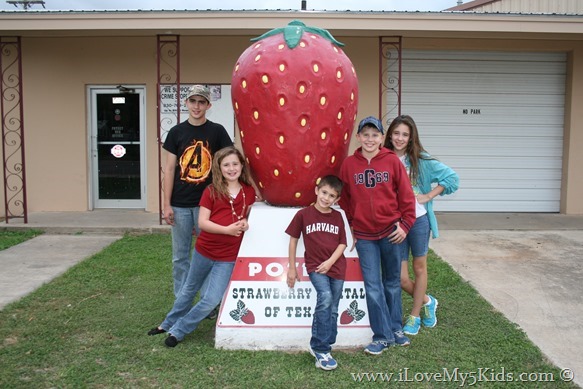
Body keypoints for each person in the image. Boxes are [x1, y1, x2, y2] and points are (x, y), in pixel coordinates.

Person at [148, 146, 256, 347]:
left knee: (211, 299)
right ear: (219, 168)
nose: (231, 168)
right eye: (226, 165)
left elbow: (247, 216)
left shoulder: (249, 192)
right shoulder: (211, 191)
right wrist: (227, 230)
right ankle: (167, 323)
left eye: (235, 164)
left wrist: (245, 224)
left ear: (242, 165)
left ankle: (179, 330)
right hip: (205, 251)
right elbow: (203, 223)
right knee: (189, 289)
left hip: (228, 256)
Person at [338, 116, 416, 355]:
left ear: (382, 138)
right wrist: (352, 223)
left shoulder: (391, 161)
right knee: (372, 286)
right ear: (358, 137)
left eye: (375, 135)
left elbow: (405, 196)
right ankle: (381, 336)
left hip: (391, 232)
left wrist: (405, 225)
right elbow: (346, 199)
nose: (370, 139)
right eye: (366, 134)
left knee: (392, 283)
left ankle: (396, 329)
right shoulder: (349, 165)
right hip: (365, 235)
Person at [384, 115, 459, 336]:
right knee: (401, 277)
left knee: (420, 268)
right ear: (390, 135)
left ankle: (415, 316)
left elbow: (452, 179)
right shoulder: (383, 157)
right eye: (396, 133)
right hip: (395, 223)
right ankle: (428, 300)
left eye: (405, 134)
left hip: (418, 221)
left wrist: (427, 195)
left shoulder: (420, 160)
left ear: (411, 137)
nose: (399, 138)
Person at [162, 84, 233, 297]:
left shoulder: (217, 131)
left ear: (208, 105)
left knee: (208, 254)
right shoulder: (176, 132)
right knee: (180, 256)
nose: (196, 106)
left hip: (209, 204)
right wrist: (166, 204)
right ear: (186, 103)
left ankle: (208, 298)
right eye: (193, 101)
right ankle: (181, 298)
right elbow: (169, 169)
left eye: (201, 102)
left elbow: (228, 164)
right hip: (180, 204)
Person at [286, 175, 347, 371]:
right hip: (315, 267)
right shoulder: (303, 215)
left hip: (336, 267)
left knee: (334, 308)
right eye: (324, 193)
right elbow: (293, 240)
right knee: (325, 297)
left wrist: (330, 262)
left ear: (336, 199)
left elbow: (343, 243)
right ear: (316, 190)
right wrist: (292, 268)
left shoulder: (337, 216)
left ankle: (325, 343)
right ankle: (321, 349)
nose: (327, 198)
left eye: (332, 196)